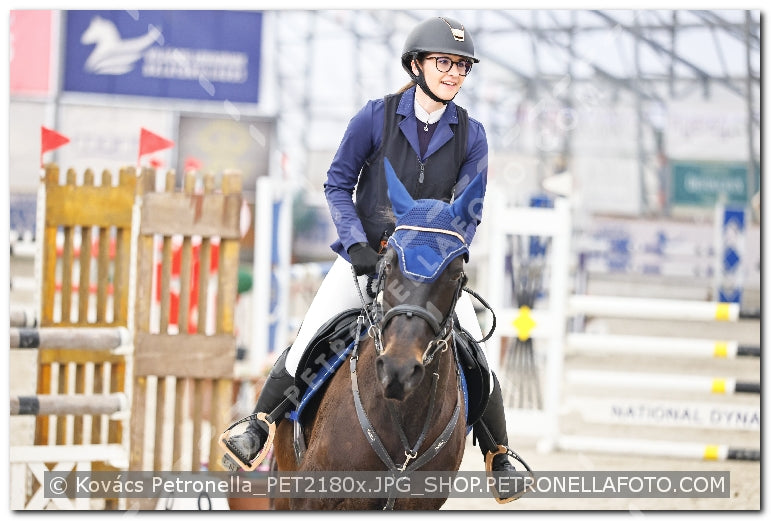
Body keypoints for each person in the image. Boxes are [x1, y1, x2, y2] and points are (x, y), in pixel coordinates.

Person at [224, 15, 522, 489]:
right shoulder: (375, 116)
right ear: (417, 64)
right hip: (365, 257)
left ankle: (498, 452)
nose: (453, 74)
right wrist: (357, 243)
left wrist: (441, 252)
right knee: (309, 338)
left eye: (462, 67)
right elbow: (338, 182)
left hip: (428, 266)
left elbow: (470, 210)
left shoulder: (472, 134)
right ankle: (258, 423)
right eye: (444, 62)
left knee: (475, 351)